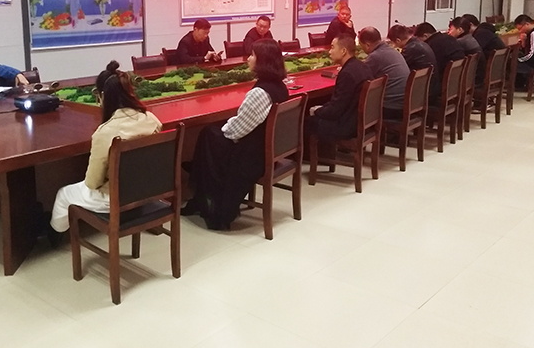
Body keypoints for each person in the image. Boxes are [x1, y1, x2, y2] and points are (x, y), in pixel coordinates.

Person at [184, 39, 289, 230]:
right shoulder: (279, 86)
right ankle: (199, 193)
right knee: (210, 133)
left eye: (252, 55)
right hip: (265, 150)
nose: (248, 59)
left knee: (208, 135)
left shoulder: (260, 92)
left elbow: (235, 132)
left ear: (263, 61)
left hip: (250, 157)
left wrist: (225, 126)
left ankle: (202, 197)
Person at [50, 61, 162, 232]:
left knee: (63, 194)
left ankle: (55, 236)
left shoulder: (105, 133)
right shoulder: (152, 119)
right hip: (148, 190)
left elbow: (92, 182)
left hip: (115, 198)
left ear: (102, 96)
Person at [306, 34, 367, 140]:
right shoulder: (362, 66)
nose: (329, 52)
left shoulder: (347, 74)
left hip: (347, 126)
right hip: (361, 120)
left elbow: (335, 111)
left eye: (332, 47)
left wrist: (316, 111)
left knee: (305, 121)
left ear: (343, 51)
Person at [356, 27, 410, 118]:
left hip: (391, 107)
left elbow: (360, 78)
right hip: (404, 104)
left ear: (367, 45)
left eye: (361, 45)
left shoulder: (375, 56)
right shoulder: (391, 51)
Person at [414, 22, 465, 101]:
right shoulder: (448, 37)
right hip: (457, 80)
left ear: (425, 36)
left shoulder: (432, 44)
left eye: (419, 40)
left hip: (444, 84)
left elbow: (434, 67)